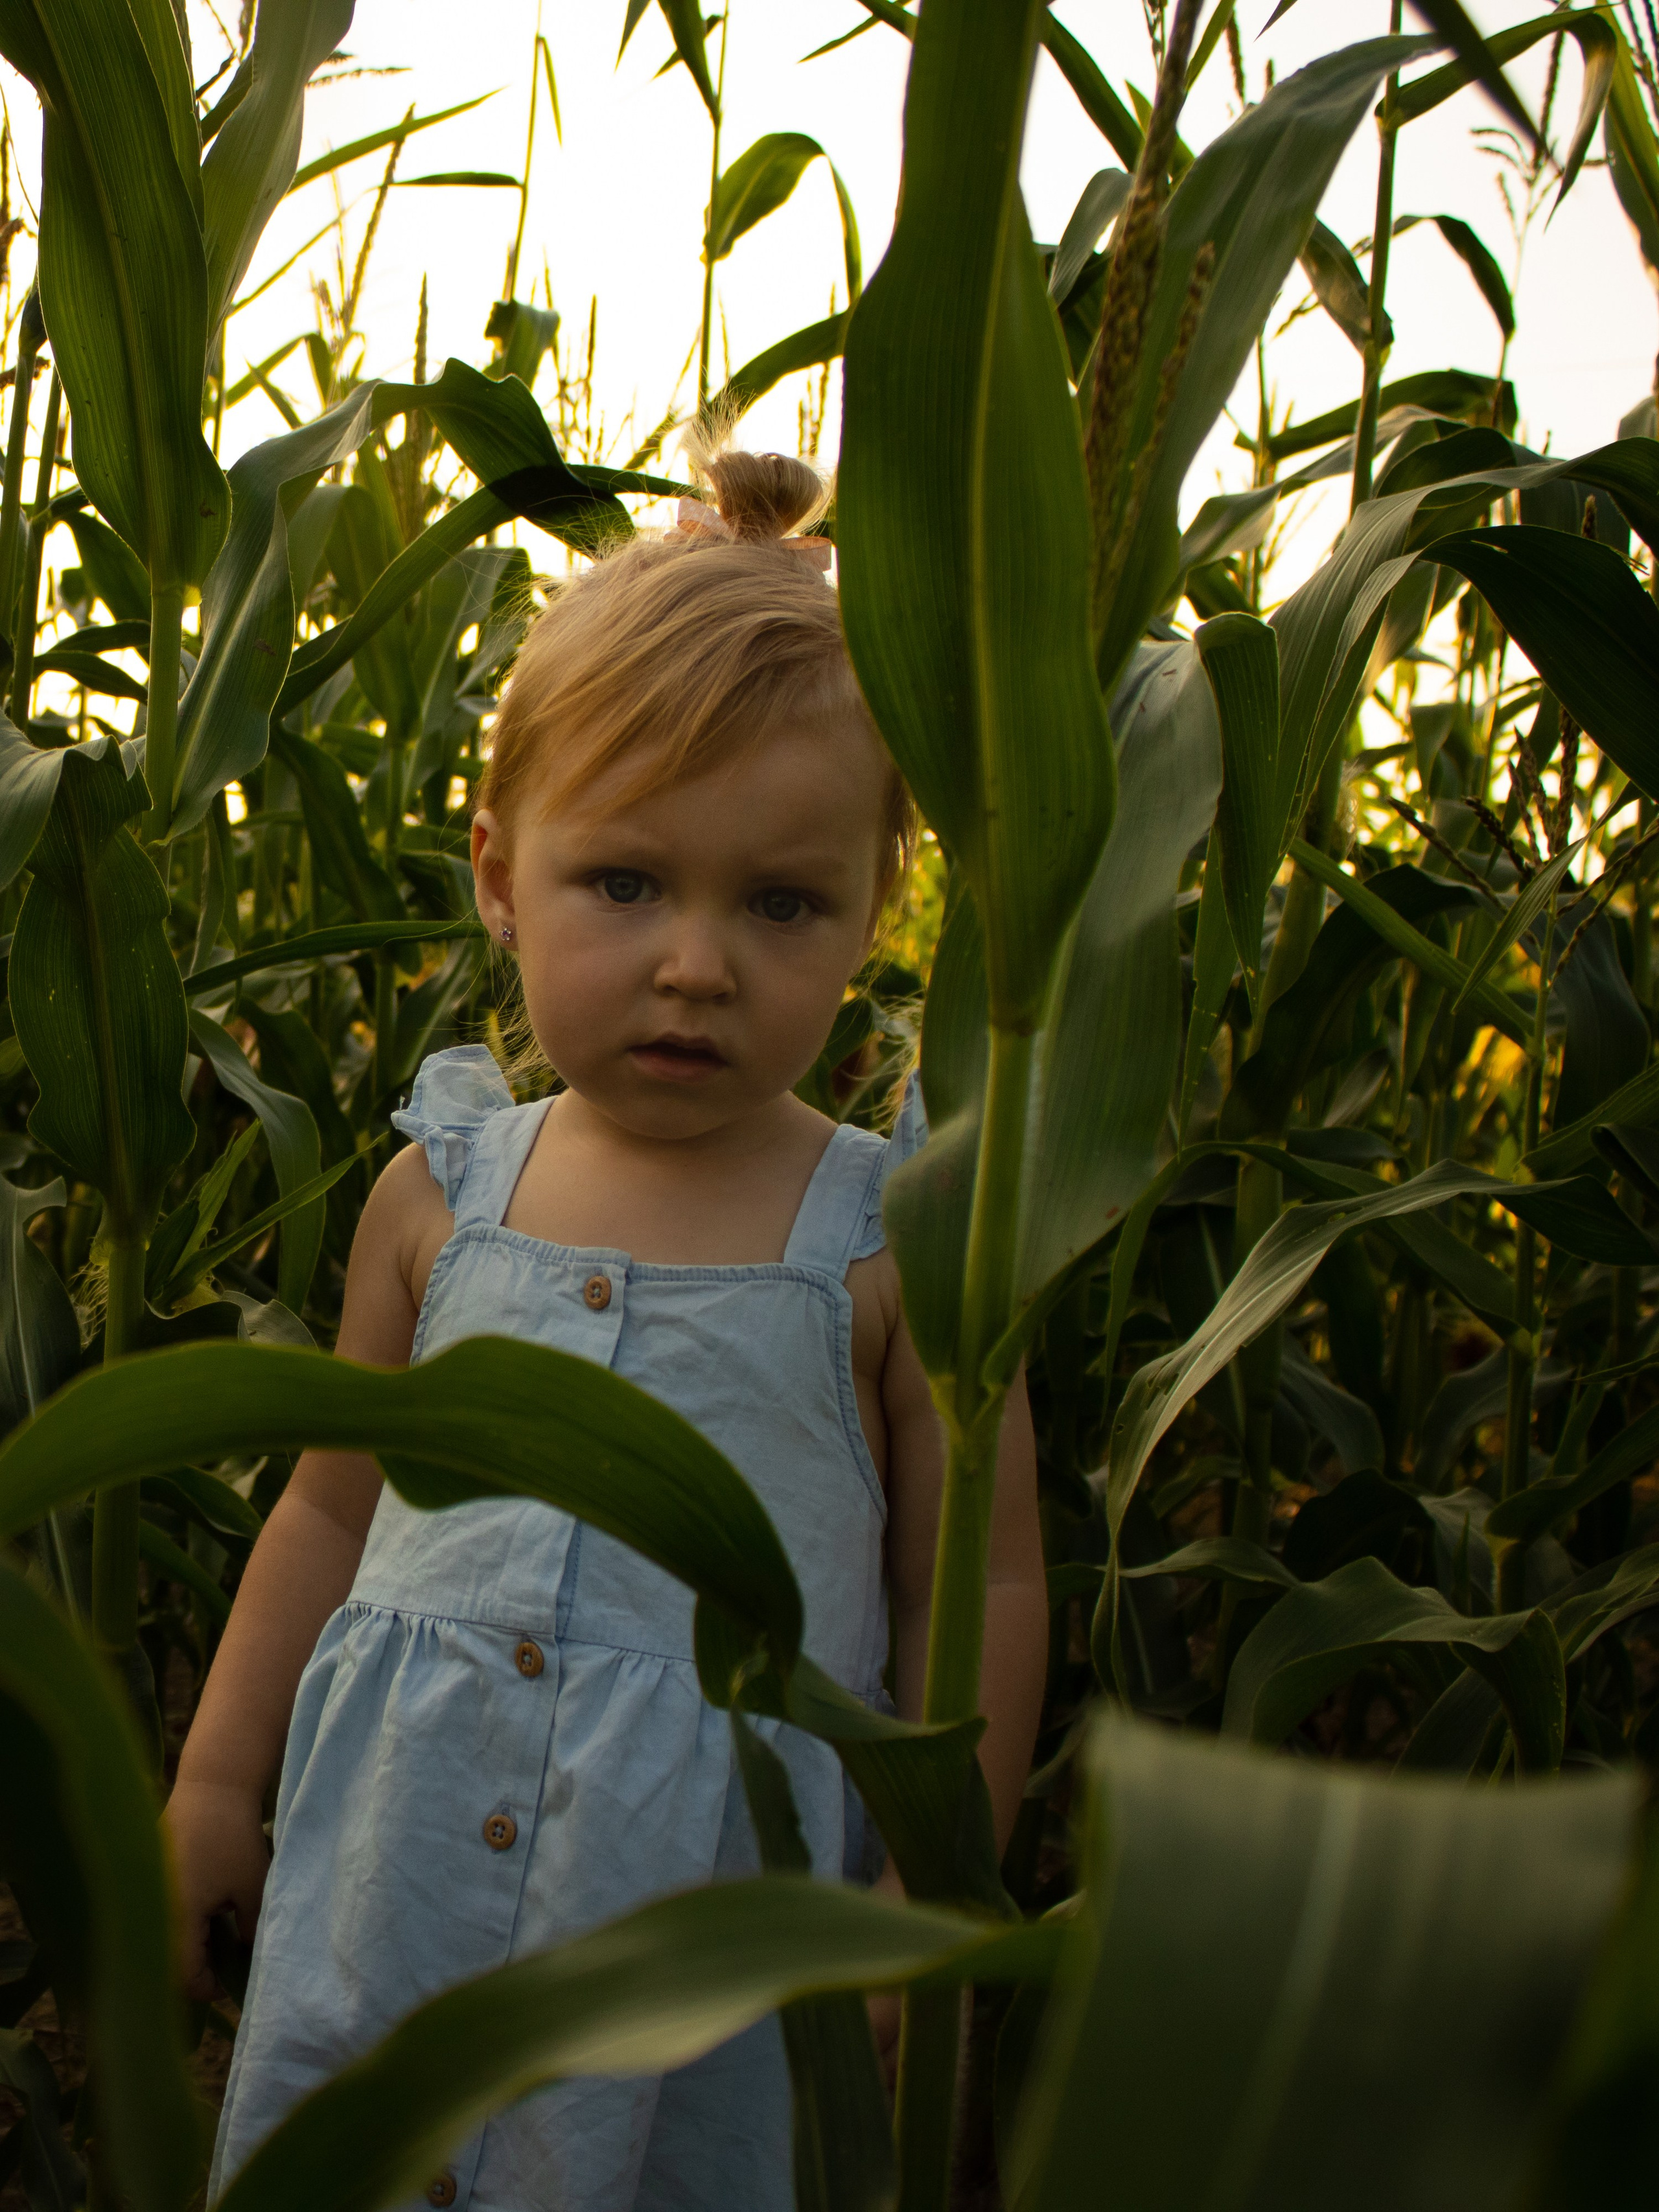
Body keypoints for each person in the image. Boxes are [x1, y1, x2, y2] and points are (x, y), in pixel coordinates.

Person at [167, 439, 1047, 2212]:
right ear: (502, 873)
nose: (696, 963)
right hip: (397, 1884)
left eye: (781, 903)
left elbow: (984, 1583)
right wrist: (212, 1782)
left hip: (718, 1935)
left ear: (875, 912)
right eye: (626, 884)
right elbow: (329, 1509)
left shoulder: (898, 1240)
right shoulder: (440, 1198)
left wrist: (929, 1888)